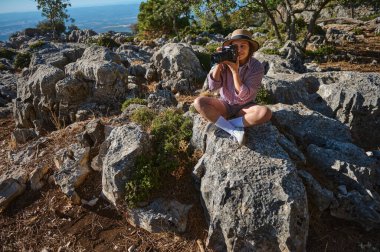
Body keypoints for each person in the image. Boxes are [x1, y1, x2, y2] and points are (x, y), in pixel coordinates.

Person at [194, 29, 272, 145]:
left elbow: (245, 95)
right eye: (235, 47)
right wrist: (219, 64)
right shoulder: (226, 60)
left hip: (245, 106)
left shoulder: (257, 67)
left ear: (250, 48)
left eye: (243, 46)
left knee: (265, 113)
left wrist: (235, 72)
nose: (239, 50)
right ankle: (233, 129)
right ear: (230, 48)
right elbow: (213, 87)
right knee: (198, 102)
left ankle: (225, 124)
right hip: (225, 104)